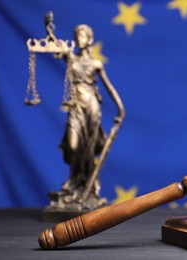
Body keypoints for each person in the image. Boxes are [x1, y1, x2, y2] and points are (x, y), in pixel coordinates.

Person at [48, 24, 125, 211]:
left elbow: (109, 87)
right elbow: (54, 44)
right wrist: (48, 29)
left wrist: (120, 108)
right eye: (77, 36)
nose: (79, 39)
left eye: (82, 35)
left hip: (91, 107)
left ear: (89, 39)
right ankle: (74, 180)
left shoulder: (96, 64)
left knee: (88, 150)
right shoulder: (71, 58)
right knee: (73, 145)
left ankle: (86, 187)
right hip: (75, 106)